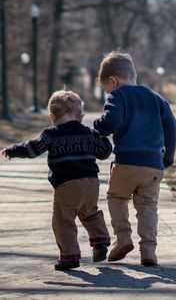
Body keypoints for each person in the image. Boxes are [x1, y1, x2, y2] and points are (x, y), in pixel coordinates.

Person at [1, 90, 112, 271]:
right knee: (90, 213)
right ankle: (100, 242)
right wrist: (104, 140)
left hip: (66, 185)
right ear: (81, 117)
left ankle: (69, 256)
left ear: (52, 117)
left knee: (63, 221)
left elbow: (32, 149)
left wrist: (13, 150)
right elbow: (104, 153)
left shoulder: (50, 135)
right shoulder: (89, 133)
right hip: (91, 183)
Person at [94, 51, 176, 266]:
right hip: (153, 164)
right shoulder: (156, 98)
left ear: (113, 81)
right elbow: (172, 126)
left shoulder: (118, 96)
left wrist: (97, 126)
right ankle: (148, 250)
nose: (108, 93)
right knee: (148, 206)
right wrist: (167, 157)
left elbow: (110, 122)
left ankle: (123, 238)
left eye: (106, 89)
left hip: (127, 161)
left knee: (117, 197)